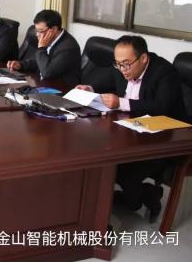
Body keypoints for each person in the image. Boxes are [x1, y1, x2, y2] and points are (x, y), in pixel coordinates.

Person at [76, 35, 186, 222]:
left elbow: (162, 107)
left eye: (126, 64)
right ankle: (126, 199)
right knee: (98, 156)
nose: (122, 70)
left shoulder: (165, 72)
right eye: (118, 64)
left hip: (165, 138)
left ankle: (145, 197)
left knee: (120, 170)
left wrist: (121, 102)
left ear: (143, 58)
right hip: (132, 129)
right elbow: (109, 79)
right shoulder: (121, 67)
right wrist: (90, 88)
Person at [6, 10, 81, 87]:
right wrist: (21, 65)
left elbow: (47, 73)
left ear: (54, 29)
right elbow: (38, 61)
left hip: (61, 89)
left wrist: (41, 48)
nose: (37, 34)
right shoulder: (50, 39)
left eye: (40, 31)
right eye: (36, 30)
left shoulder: (68, 48)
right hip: (43, 85)